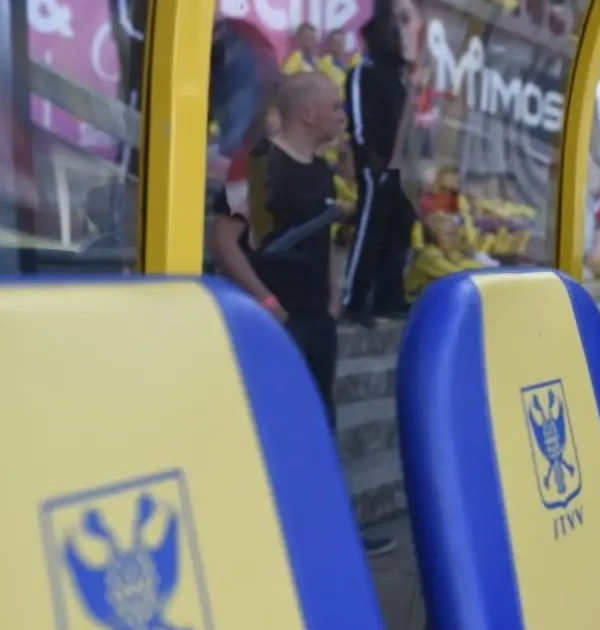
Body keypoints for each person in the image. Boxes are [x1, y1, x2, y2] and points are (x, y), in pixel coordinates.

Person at [209, 72, 396, 558]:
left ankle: (326, 533)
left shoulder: (322, 173)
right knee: (272, 427)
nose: (343, 116)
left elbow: (322, 239)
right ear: (308, 112)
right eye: (335, 107)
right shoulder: (256, 164)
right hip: (273, 322)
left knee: (319, 424)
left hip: (315, 320)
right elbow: (226, 243)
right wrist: (267, 304)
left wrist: (332, 297)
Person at [341, 0, 420, 328]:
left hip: (402, 167)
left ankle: (389, 296)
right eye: (390, 30)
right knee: (370, 229)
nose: (397, 37)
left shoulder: (400, 78)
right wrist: (370, 158)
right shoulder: (364, 71)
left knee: (399, 230)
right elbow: (359, 120)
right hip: (375, 166)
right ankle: (355, 299)